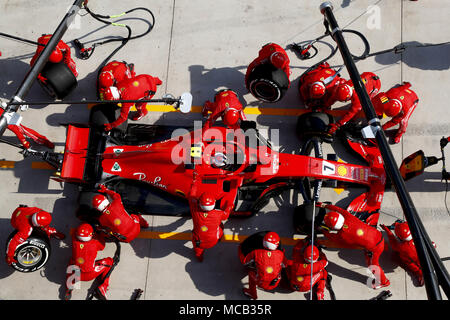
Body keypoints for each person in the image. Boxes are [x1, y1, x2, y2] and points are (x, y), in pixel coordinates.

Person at [318, 202, 390, 289]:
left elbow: (332, 237)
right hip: (378, 236)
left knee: (372, 265)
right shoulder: (348, 217)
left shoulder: (343, 236)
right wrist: (324, 205)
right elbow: (338, 209)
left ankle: (384, 282)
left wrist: (323, 231)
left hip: (375, 248)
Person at [65, 223, 114, 300]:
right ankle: (103, 287)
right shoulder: (95, 243)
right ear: (91, 235)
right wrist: (99, 234)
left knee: (71, 261)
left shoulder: (74, 239)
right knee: (109, 261)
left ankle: (69, 286)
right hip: (89, 274)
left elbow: (76, 232)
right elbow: (102, 246)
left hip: (76, 273)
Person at [381, 221, 435, 286]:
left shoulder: (402, 247)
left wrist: (387, 230)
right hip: (425, 253)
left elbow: (393, 242)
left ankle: (420, 274)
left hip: (413, 258)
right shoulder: (417, 234)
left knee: (407, 262)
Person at [241, 232, 286, 300]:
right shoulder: (281, 254)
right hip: (275, 283)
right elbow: (285, 265)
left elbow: (245, 261)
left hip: (260, 283)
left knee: (251, 273)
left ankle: (252, 293)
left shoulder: (256, 252)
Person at [189, 192, 231, 261]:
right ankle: (220, 238)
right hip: (213, 241)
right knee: (221, 225)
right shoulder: (219, 214)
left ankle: (200, 258)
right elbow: (226, 214)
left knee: (198, 250)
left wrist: (194, 183)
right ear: (214, 203)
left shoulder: (194, 211)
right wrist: (229, 205)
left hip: (199, 243)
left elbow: (191, 197)